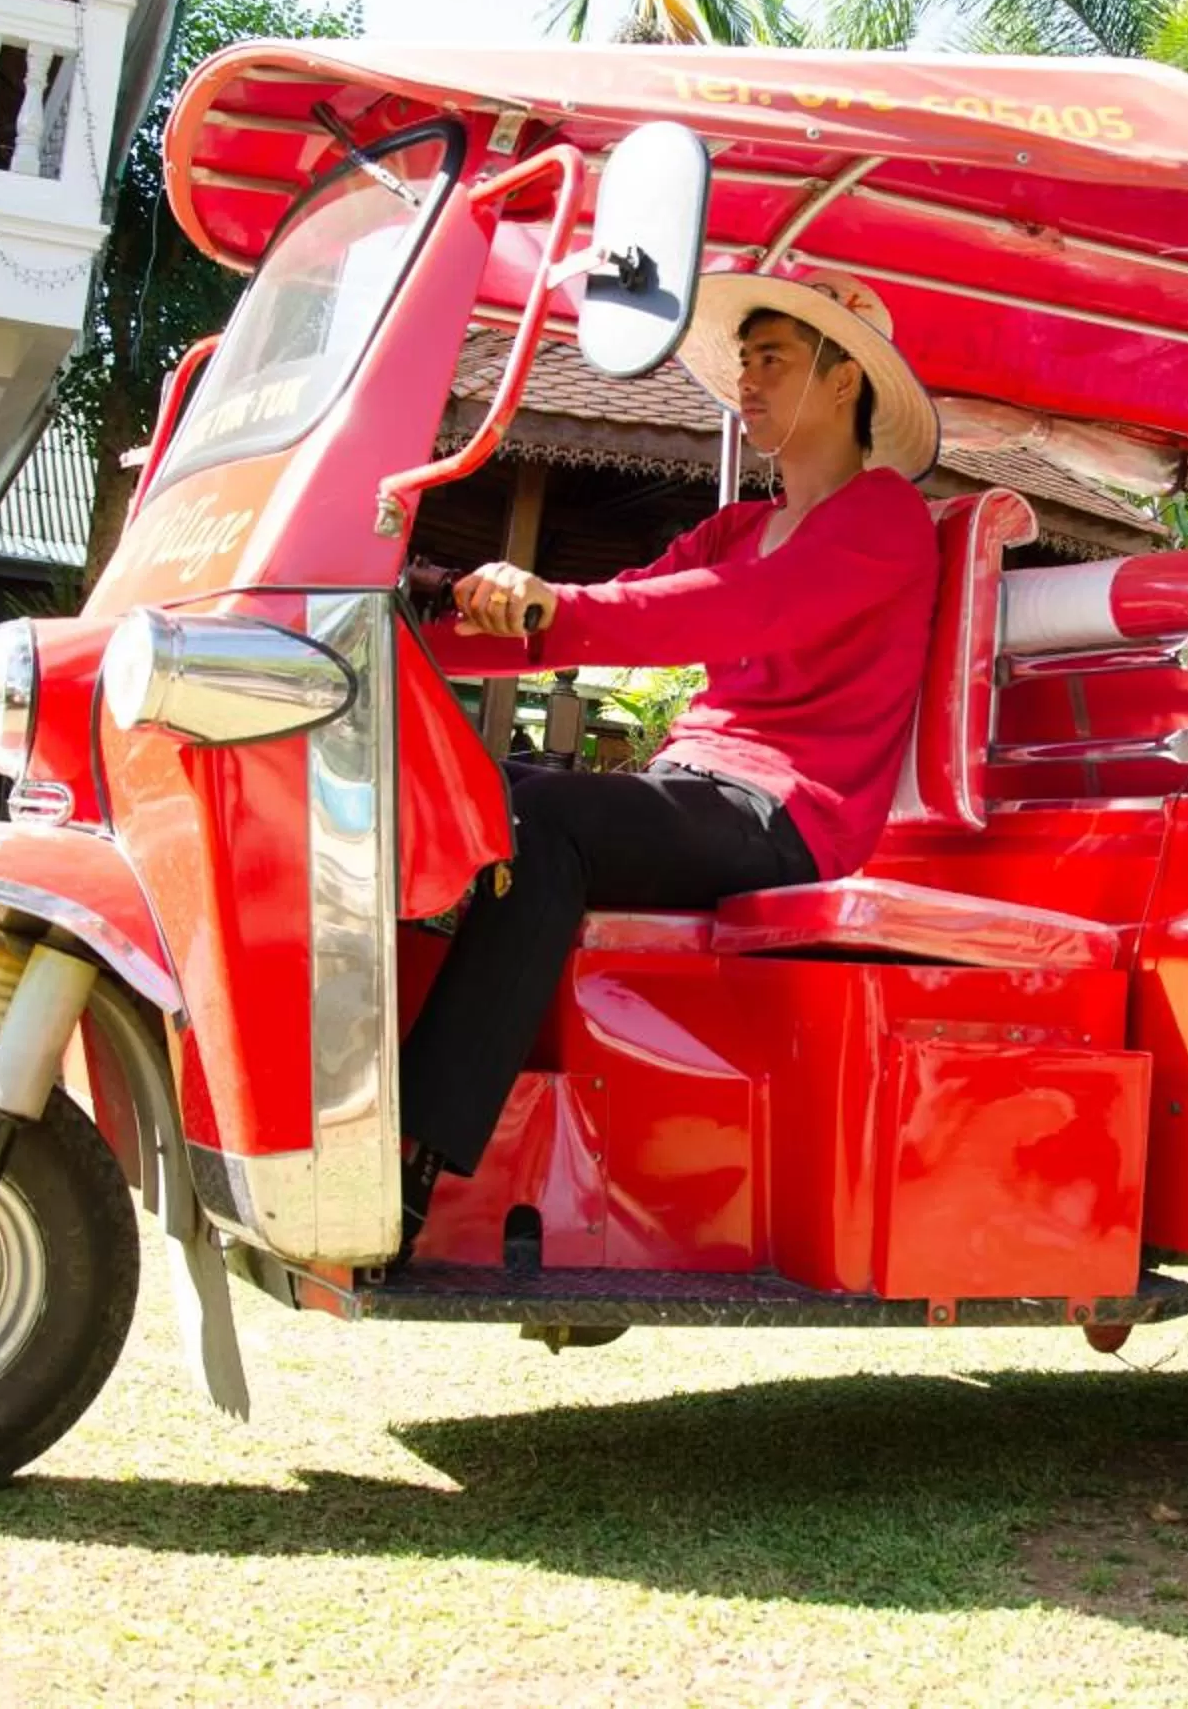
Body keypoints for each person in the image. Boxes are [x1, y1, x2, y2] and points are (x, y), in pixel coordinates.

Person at [403, 270, 944, 1250]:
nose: (749, 378)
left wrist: (550, 602)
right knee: (474, 789)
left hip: (788, 814)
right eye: (745, 360)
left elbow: (735, 611)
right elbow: (610, 610)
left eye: (772, 358)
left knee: (546, 816)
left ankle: (418, 1166)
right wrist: (409, 633)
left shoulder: (884, 516)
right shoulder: (738, 527)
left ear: (842, 379)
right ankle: (371, 1095)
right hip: (697, 789)